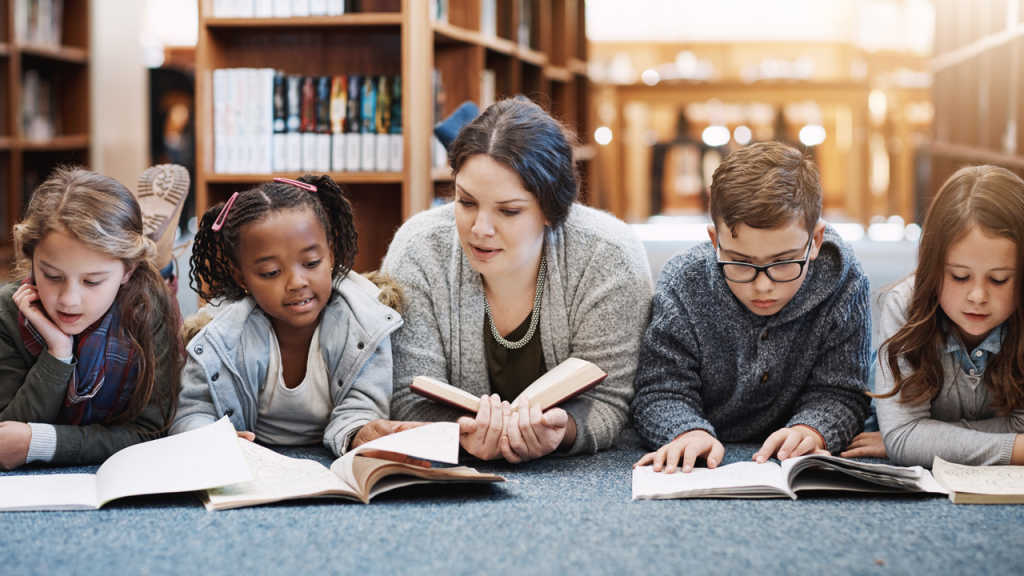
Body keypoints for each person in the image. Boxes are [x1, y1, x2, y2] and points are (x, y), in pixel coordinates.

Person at [382, 97, 653, 462]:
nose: (480, 229)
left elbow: (611, 401)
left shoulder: (608, 256)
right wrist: (460, 436)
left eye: (508, 211)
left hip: (580, 479)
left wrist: (565, 432)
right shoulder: (419, 249)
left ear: (552, 209)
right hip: (454, 475)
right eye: (466, 202)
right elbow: (407, 394)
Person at [632, 141, 871, 473]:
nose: (763, 286)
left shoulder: (845, 283)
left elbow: (842, 390)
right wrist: (685, 429)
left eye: (784, 262)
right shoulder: (684, 282)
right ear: (715, 242)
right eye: (741, 263)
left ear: (814, 241)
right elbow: (660, 388)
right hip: (707, 447)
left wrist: (813, 428)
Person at [170, 175, 406, 456]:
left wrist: (360, 432)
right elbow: (191, 412)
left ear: (330, 254)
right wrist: (211, 437)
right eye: (271, 272)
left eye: (311, 263)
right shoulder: (220, 336)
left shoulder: (365, 322)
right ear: (241, 276)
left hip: (334, 459)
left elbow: (363, 405)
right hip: (256, 464)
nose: (296, 282)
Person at [0, 167, 182, 468]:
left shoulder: (148, 307)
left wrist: (45, 443)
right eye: (52, 275)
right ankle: (153, 248)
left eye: (92, 281)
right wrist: (57, 356)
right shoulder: (9, 311)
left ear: (127, 270)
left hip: (141, 291)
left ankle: (160, 262)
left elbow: (152, 433)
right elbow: (6, 441)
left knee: (161, 288)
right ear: (30, 258)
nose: (69, 300)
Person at [874, 165, 1024, 466]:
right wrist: (907, 438)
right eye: (959, 276)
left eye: (998, 280)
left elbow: (906, 437)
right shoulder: (903, 305)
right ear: (932, 268)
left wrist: (927, 439)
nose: (977, 296)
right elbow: (904, 437)